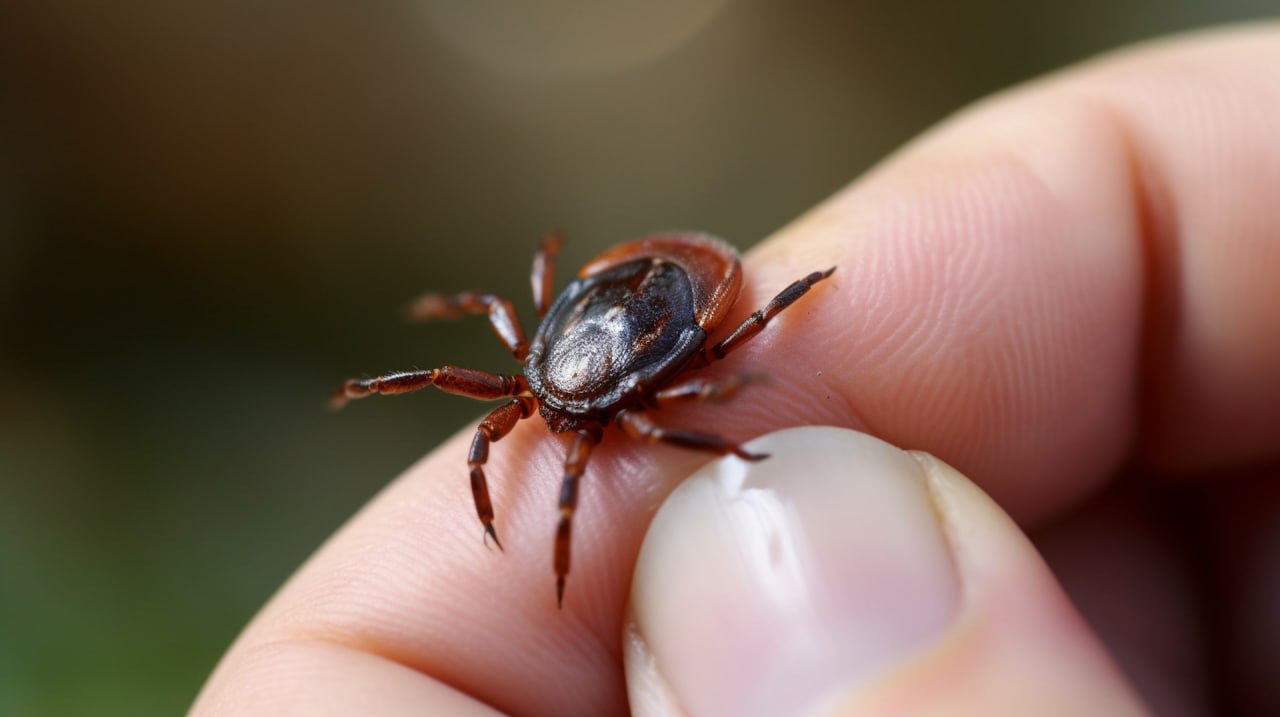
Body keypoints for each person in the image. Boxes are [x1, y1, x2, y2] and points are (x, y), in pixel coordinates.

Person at [191, 25, 1280, 716]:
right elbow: (560, 380)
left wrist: (726, 428)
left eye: (547, 422)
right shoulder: (544, 393)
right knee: (625, 387)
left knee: (721, 365)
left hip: (630, 325)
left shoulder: (572, 420)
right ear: (530, 352)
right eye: (535, 414)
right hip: (625, 317)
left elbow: (685, 390)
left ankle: (767, 357)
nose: (536, 435)